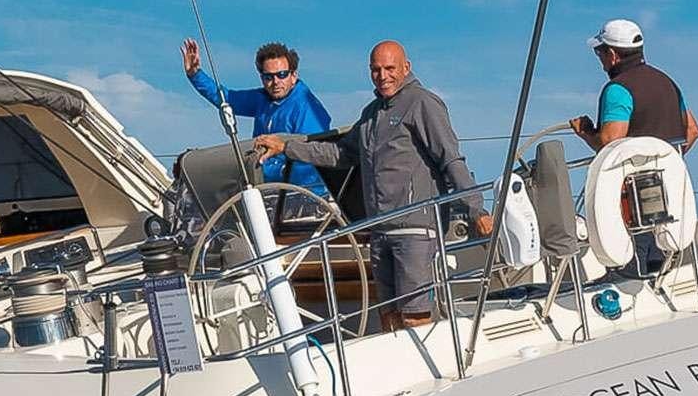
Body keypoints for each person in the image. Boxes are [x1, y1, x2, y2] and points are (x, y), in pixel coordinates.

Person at [254, 40, 493, 332]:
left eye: (390, 68)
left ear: (406, 68)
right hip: (379, 231)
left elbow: (450, 159)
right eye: (376, 70)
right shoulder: (370, 114)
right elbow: (340, 154)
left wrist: (476, 209)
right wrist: (287, 147)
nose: (383, 76)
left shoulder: (422, 103)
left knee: (415, 315)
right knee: (388, 316)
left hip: (415, 231)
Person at [569, 18, 698, 276]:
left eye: (600, 52)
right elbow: (693, 131)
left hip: (632, 205)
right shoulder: (667, 82)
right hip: (671, 197)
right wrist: (667, 162)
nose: (600, 59)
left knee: (632, 271)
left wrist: (586, 132)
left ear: (613, 55)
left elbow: (610, 142)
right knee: (662, 267)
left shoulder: (618, 89)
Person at [181, 39, 333, 197]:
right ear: (262, 78)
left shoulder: (308, 109)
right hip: (267, 189)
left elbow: (311, 161)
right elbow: (227, 99)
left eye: (282, 75)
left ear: (293, 76)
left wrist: (258, 171)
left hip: (303, 195)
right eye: (268, 77)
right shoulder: (263, 99)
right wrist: (195, 74)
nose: (275, 82)